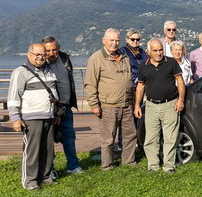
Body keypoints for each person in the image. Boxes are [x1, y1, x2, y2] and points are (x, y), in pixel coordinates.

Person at [8, 44, 59, 190]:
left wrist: (56, 113)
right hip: (31, 117)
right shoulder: (20, 72)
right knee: (32, 151)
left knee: (48, 150)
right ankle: (30, 181)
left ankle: (45, 176)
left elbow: (54, 92)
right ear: (29, 54)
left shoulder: (49, 70)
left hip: (49, 116)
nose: (41, 57)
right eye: (37, 54)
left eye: (43, 55)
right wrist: (15, 117)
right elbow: (13, 97)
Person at [84, 28, 137, 170]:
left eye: (117, 40)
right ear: (104, 41)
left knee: (130, 135)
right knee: (108, 138)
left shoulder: (124, 56)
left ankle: (129, 161)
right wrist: (94, 104)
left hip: (126, 104)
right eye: (111, 40)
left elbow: (129, 79)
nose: (114, 43)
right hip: (108, 105)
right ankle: (107, 165)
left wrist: (132, 101)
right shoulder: (96, 58)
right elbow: (90, 83)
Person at [134, 39, 185, 173]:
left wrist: (181, 100)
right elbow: (140, 86)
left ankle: (169, 166)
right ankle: (153, 166)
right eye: (155, 50)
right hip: (151, 105)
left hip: (170, 104)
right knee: (151, 138)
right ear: (148, 51)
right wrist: (137, 106)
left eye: (160, 50)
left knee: (170, 137)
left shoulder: (171, 62)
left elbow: (180, 81)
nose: (158, 53)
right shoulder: (143, 66)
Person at [41, 36, 83, 175]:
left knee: (69, 138)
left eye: (54, 50)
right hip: (50, 110)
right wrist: (54, 111)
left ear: (58, 48)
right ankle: (49, 169)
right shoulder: (41, 65)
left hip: (66, 107)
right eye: (48, 51)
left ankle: (73, 166)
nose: (51, 53)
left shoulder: (65, 59)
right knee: (48, 141)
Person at [118, 28, 149, 150]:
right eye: (133, 39)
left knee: (137, 114)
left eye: (137, 39)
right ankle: (122, 142)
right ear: (127, 40)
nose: (135, 41)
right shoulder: (123, 51)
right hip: (130, 87)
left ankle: (136, 140)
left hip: (141, 87)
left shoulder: (142, 52)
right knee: (127, 116)